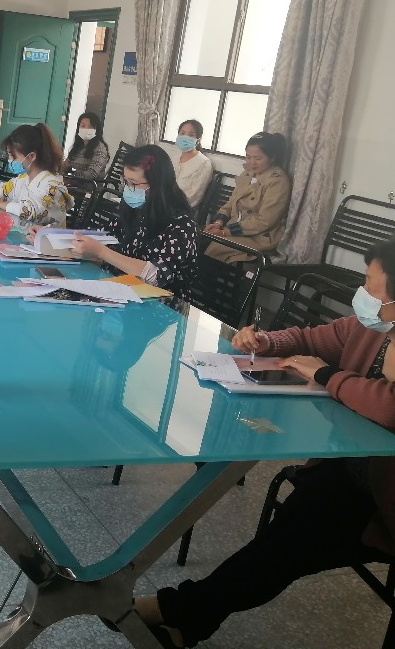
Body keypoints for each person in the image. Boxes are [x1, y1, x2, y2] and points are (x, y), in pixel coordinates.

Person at [126, 237, 395, 649]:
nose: (364, 293)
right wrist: (267, 342)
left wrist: (327, 376)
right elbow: (313, 338)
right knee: (289, 536)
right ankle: (185, 616)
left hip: (383, 496)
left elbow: (390, 408)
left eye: (372, 286)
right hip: (353, 466)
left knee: (289, 542)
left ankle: (181, 613)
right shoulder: (372, 327)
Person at [31, 144, 197, 297]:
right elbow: (100, 237)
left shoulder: (181, 223)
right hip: (122, 292)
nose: (128, 189)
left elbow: (157, 276)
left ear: (158, 184)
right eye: (126, 182)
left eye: (134, 184)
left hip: (163, 307)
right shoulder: (135, 210)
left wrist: (102, 252)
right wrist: (49, 237)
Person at [204, 132, 290, 263]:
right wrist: (217, 224)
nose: (252, 163)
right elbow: (230, 204)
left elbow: (264, 221)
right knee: (198, 239)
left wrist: (225, 232)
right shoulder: (247, 174)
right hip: (234, 229)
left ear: (272, 157)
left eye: (258, 158)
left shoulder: (278, 181)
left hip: (259, 236)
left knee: (216, 247)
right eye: (248, 157)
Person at [0, 122, 72, 228]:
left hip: (46, 237)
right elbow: (1, 190)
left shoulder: (52, 185)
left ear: (31, 156)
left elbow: (34, 212)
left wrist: (2, 204)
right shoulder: (23, 179)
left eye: (13, 156)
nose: (10, 160)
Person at [172, 119, 214, 211]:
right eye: (182, 133)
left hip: (182, 210)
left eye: (191, 135)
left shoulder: (203, 163)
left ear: (198, 140)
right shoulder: (174, 159)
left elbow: (194, 197)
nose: (185, 137)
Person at [64, 112, 109, 181]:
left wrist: (71, 176)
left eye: (90, 127)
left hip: (87, 185)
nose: (86, 129)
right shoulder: (79, 145)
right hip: (73, 181)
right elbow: (65, 165)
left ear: (97, 129)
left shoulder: (100, 148)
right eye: (83, 126)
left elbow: (91, 174)